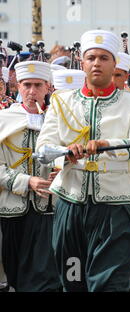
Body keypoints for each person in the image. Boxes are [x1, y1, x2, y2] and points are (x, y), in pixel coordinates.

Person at [36, 30, 130, 291]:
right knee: (73, 279)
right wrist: (65, 153)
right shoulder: (61, 101)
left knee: (109, 283)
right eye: (91, 58)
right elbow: (42, 150)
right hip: (71, 207)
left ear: (115, 64)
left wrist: (106, 145)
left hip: (116, 210)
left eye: (104, 57)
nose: (97, 63)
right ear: (82, 62)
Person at [0, 60, 61, 291]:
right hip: (11, 210)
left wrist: (62, 171)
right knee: (15, 274)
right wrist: (28, 182)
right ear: (17, 85)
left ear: (47, 87)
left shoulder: (57, 120)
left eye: (38, 85)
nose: (32, 91)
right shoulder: (4, 119)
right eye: (26, 85)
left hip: (49, 208)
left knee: (43, 278)